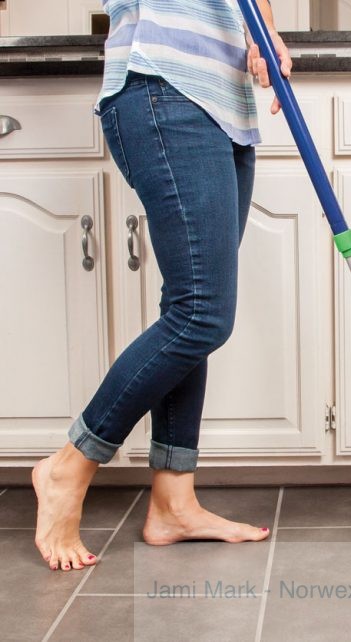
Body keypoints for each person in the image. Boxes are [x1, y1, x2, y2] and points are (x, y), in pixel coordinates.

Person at [32, 0, 292, 571]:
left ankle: (174, 502)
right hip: (163, 86)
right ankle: (69, 465)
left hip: (226, 102)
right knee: (202, 313)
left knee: (189, 307)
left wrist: (264, 29)